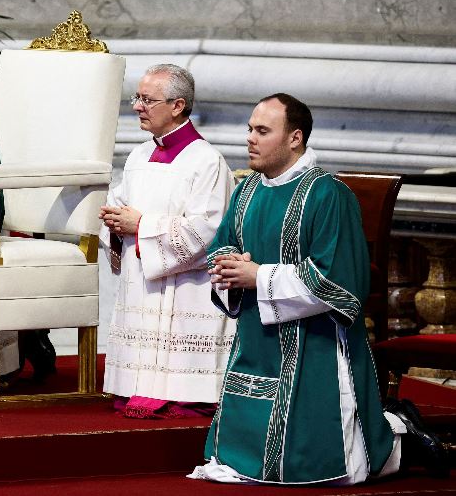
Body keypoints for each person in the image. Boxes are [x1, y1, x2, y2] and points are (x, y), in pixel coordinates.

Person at [189, 93, 448, 484]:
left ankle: (400, 438)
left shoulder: (328, 194)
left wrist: (258, 276)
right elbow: (222, 243)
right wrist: (229, 266)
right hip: (257, 332)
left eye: (262, 131)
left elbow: (340, 281)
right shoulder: (247, 191)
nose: (250, 139)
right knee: (239, 460)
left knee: (323, 467)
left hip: (316, 340)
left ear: (295, 138)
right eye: (249, 129)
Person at [99, 64, 235, 419]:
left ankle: (183, 390)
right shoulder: (138, 156)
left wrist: (141, 224)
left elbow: (207, 231)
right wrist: (114, 224)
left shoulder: (207, 162)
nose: (137, 107)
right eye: (137, 98)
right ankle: (140, 384)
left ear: (177, 106)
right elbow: (120, 206)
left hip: (188, 283)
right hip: (142, 272)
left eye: (147, 100)